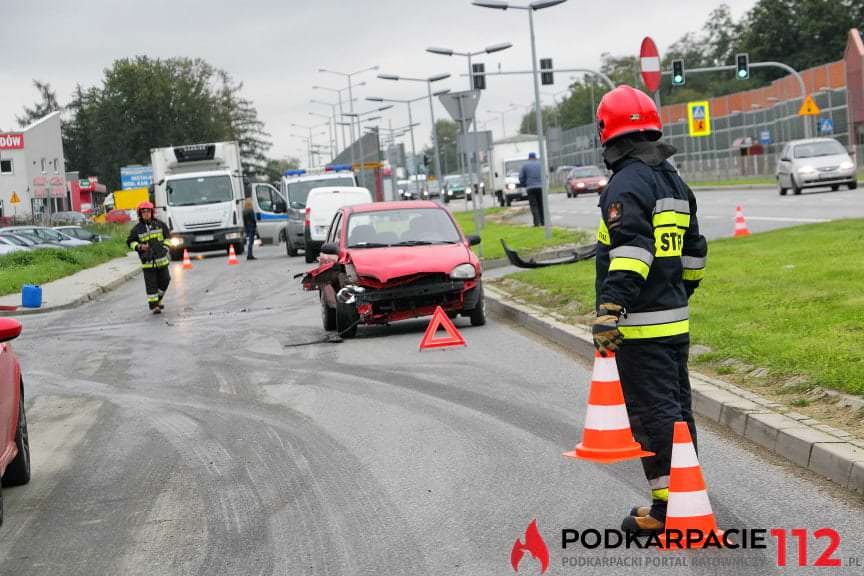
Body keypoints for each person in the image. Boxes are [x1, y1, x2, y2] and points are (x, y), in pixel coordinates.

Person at [591, 85, 708, 535]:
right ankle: (684, 494)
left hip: (640, 328)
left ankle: (667, 510)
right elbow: (694, 251)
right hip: (674, 322)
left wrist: (610, 309)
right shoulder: (674, 180)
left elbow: (633, 249)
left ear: (608, 133)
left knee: (654, 414)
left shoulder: (626, 184)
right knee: (678, 411)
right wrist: (680, 293)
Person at [126, 201, 172, 314]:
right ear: (140, 214)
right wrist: (139, 246)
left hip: (162, 261)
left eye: (148, 211)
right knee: (151, 285)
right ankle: (154, 306)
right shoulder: (137, 229)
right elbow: (130, 242)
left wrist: (165, 248)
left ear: (152, 212)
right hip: (148, 262)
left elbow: (168, 238)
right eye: (143, 212)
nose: (146, 214)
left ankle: (158, 299)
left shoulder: (160, 225)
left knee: (166, 280)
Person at [518, 152, 544, 226]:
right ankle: (543, 221)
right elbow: (545, 175)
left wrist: (524, 184)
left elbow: (521, 177)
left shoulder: (525, 165)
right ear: (535, 157)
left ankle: (536, 222)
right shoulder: (540, 164)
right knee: (541, 205)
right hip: (540, 187)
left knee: (534, 205)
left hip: (530, 188)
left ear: (529, 157)